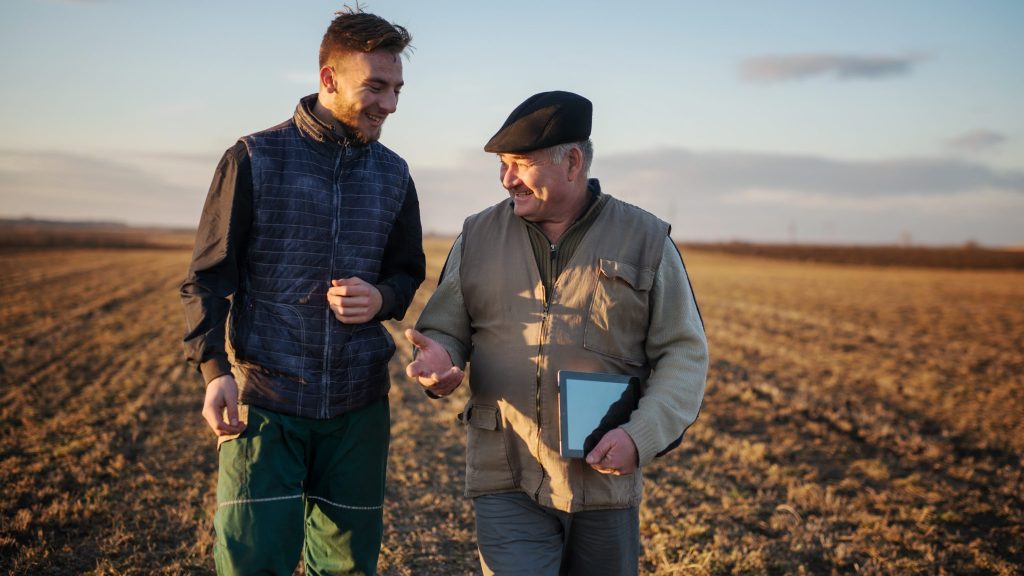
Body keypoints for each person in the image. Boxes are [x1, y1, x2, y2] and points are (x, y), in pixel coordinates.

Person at [404, 91, 708, 575]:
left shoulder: (646, 239)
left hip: (604, 477)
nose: (507, 179)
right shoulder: (477, 235)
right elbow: (445, 326)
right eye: (503, 165)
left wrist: (641, 436)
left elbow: (684, 354)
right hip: (505, 469)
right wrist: (440, 358)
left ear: (572, 163)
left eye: (521, 164)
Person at [179, 9, 424, 575]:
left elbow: (407, 272)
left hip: (359, 410)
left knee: (347, 567)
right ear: (329, 78)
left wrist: (381, 299)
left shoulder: (395, 174)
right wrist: (214, 371)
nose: (390, 104)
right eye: (376, 87)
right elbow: (208, 277)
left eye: (397, 89)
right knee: (252, 563)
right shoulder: (253, 158)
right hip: (267, 404)